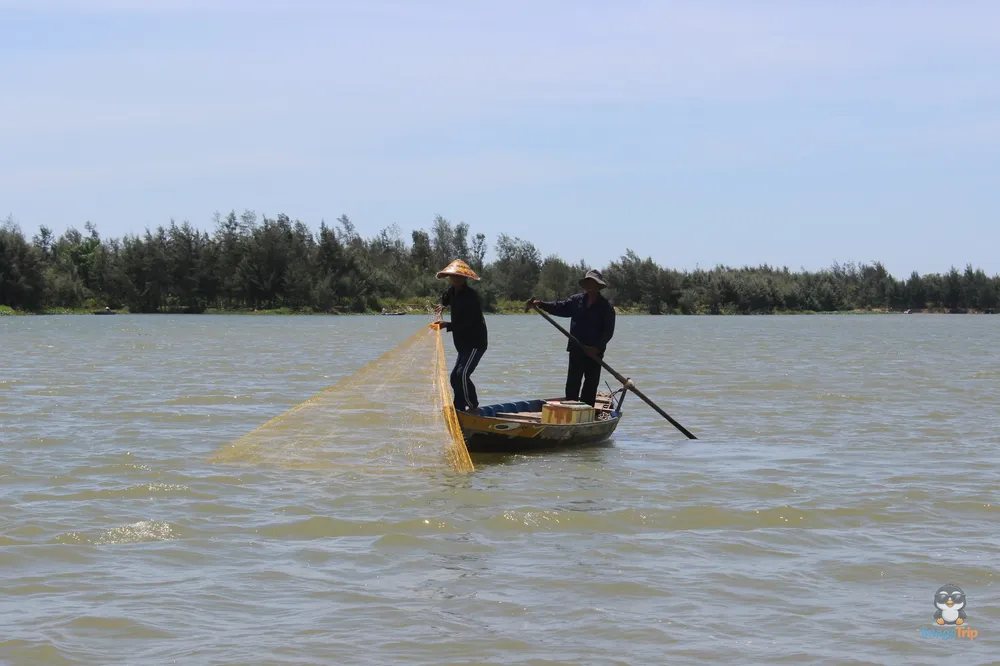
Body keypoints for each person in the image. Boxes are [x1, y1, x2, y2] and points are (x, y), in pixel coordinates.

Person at [525, 269, 616, 407]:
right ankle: (570, 409)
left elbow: (608, 332)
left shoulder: (606, 307)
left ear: (599, 286)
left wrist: (597, 348)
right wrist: (541, 304)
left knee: (591, 383)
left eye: (593, 283)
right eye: (588, 282)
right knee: (573, 382)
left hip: (594, 353)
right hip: (576, 348)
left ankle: (586, 410)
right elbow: (559, 307)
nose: (590, 285)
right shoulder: (576, 300)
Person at [432, 259, 488, 413]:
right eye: (453, 276)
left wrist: (447, 325)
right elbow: (443, 298)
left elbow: (469, 323)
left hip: (475, 342)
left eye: (458, 276)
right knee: (454, 377)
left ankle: (473, 406)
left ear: (464, 278)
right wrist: (441, 305)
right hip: (462, 343)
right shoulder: (451, 291)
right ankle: (459, 407)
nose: (455, 279)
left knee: (462, 374)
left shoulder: (471, 296)